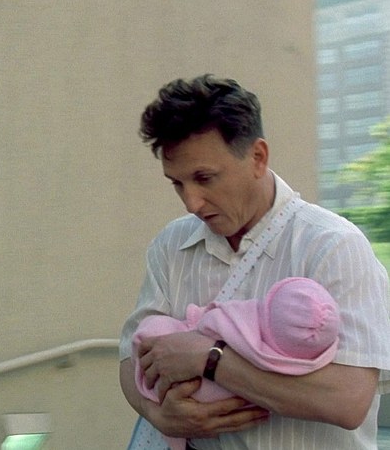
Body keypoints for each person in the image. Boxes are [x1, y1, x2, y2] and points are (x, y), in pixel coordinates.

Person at [118, 74, 390, 449]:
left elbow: (348, 400)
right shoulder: (170, 246)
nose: (191, 202)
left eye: (204, 178)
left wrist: (210, 360)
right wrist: (159, 415)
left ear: (258, 157)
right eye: (177, 183)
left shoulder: (332, 246)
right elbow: (129, 361)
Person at [133, 277, 341, 450]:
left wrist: (206, 352)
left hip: (191, 388)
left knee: (154, 329)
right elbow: (126, 359)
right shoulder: (291, 365)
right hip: (233, 409)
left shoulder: (245, 322)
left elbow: (209, 323)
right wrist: (157, 415)